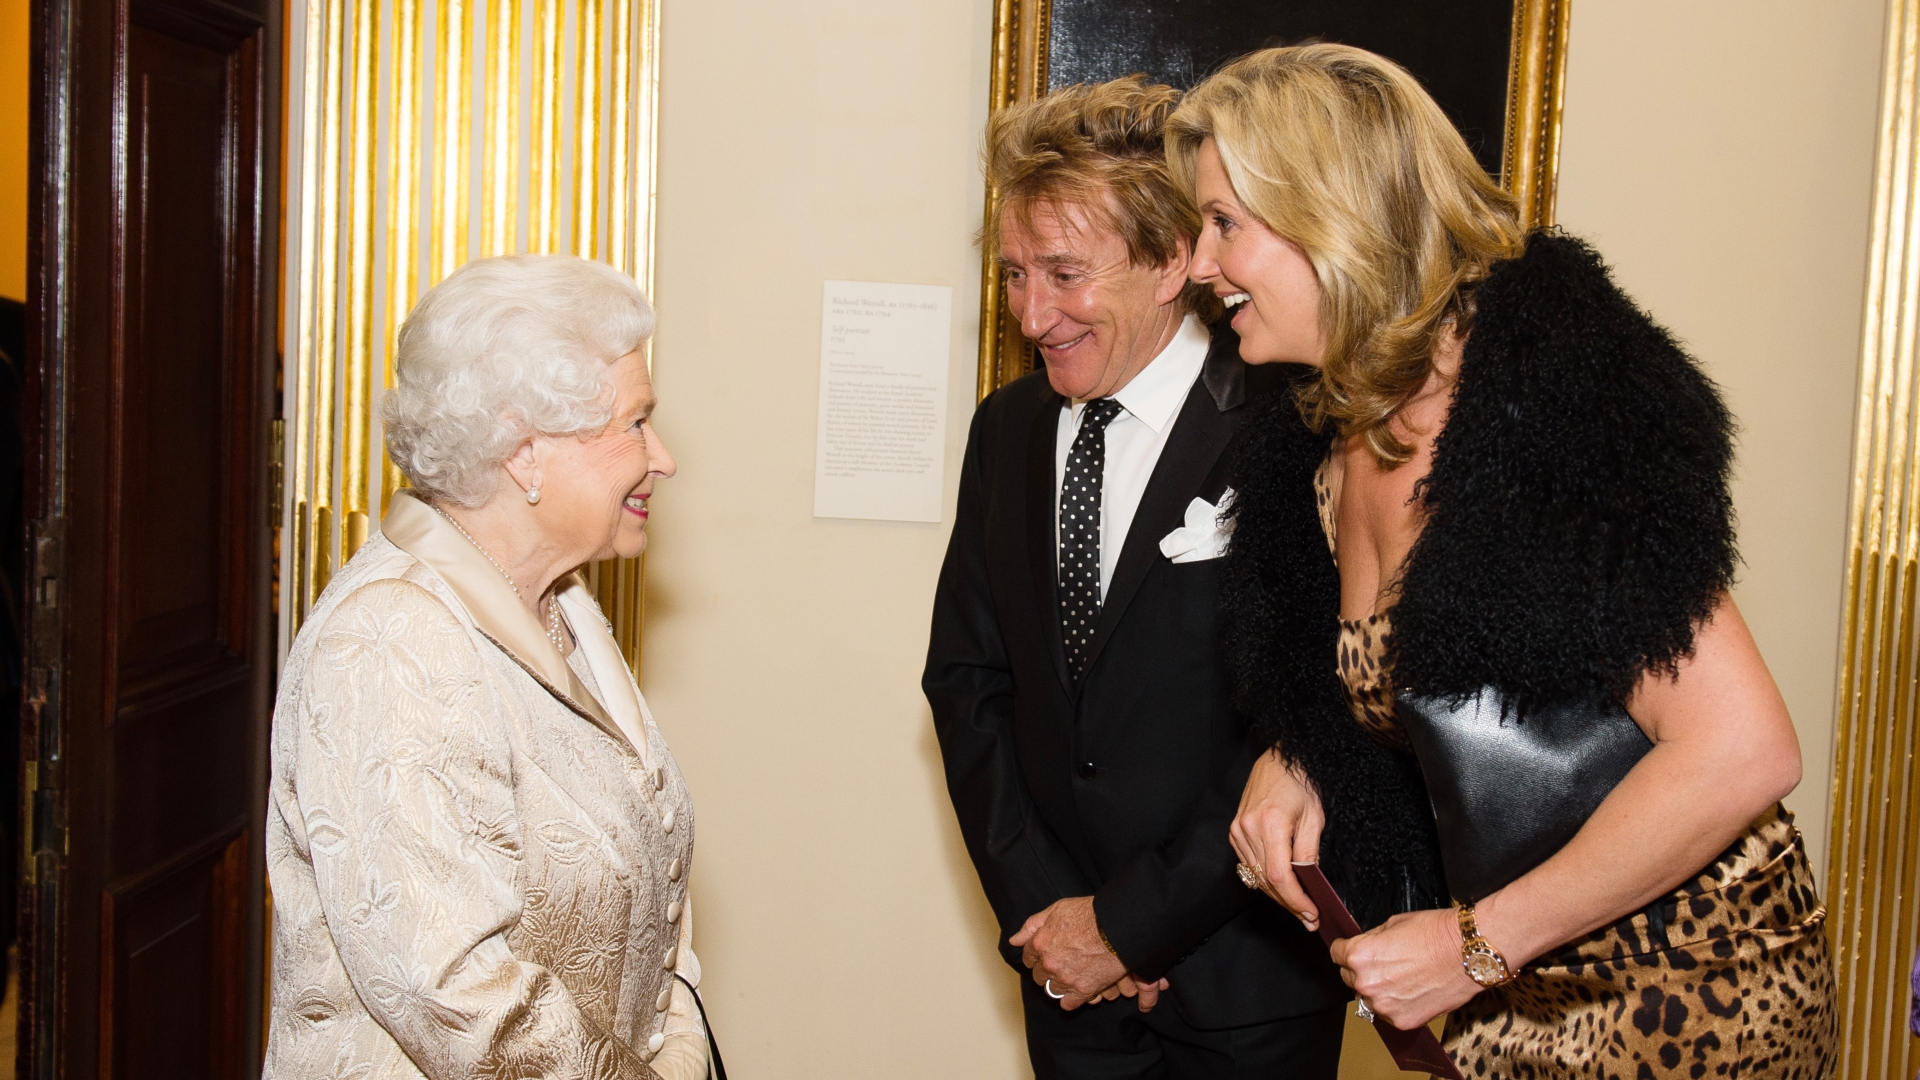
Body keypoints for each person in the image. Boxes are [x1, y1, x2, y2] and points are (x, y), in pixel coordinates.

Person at [1168, 43, 1837, 1075]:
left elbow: (1744, 750)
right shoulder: (1322, 438)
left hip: (1692, 993)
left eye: (1223, 225)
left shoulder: (1545, 415)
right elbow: (1394, 686)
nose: (1200, 265)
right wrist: (1300, 751)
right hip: (1508, 993)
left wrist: (1474, 946)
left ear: (1330, 213)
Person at [923, 76, 1348, 1080]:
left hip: (1244, 986)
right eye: (1016, 274)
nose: (1033, 314)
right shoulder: (1009, 431)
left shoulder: (1289, 427)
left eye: (1065, 274)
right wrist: (1053, 918)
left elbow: (1307, 713)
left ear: (1170, 261)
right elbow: (968, 684)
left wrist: (1132, 925)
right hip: (1070, 989)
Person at [264, 254, 709, 1080]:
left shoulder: (562, 599)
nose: (664, 457)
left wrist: (681, 1049)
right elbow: (460, 995)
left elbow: (658, 888)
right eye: (635, 423)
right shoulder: (390, 643)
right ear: (525, 450)